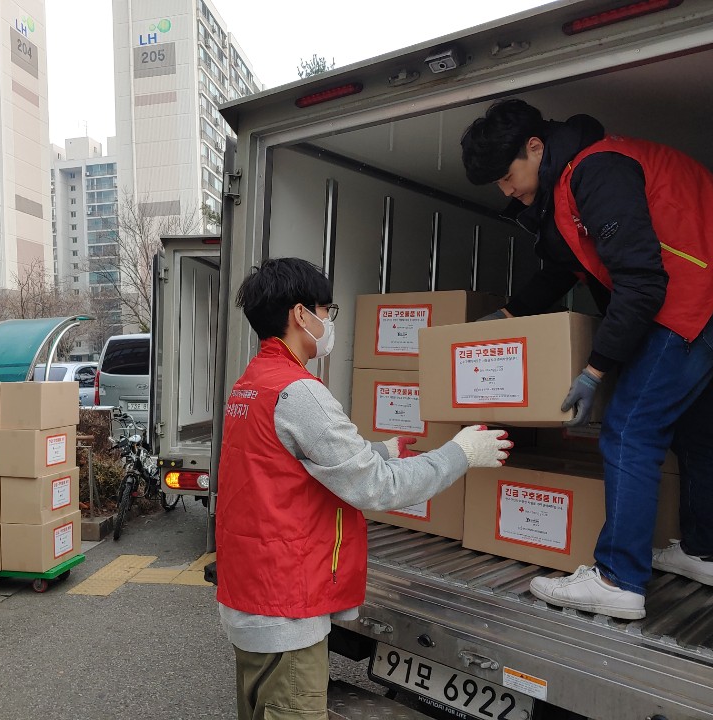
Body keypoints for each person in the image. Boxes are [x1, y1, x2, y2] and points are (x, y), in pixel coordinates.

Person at [461, 99, 713, 620]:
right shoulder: (570, 182)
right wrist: (508, 313)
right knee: (695, 428)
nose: (506, 191)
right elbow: (565, 268)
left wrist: (595, 370)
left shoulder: (597, 171)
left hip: (703, 285)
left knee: (629, 429)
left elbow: (641, 284)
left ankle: (618, 580)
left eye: (507, 176)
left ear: (535, 147)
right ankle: (704, 553)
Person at [216, 257, 513, 719]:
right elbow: (378, 490)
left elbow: (287, 466)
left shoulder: (253, 384)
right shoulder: (300, 392)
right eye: (325, 311)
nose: (329, 322)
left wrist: (381, 449)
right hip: (286, 611)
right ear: (300, 315)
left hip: (253, 597)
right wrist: (461, 453)